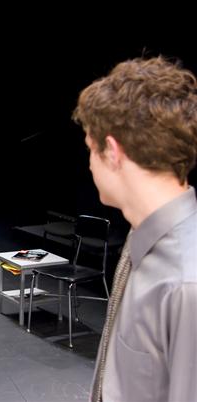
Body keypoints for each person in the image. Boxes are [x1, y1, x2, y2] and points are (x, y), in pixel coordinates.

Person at [73, 56, 197, 401]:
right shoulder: (141, 240)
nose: (89, 162)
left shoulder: (187, 284)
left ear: (112, 152)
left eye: (89, 149)